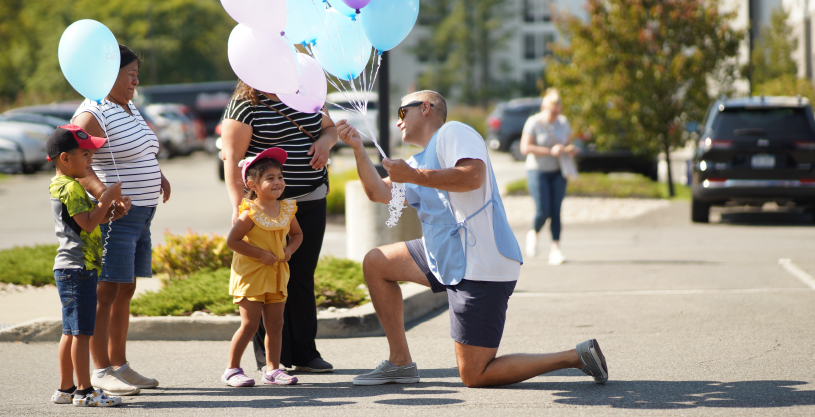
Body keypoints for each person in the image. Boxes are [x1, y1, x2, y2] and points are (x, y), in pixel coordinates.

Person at [335, 90, 608, 388]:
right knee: (377, 262)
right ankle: (400, 362)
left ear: (426, 108)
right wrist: (359, 150)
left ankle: (575, 357)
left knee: (475, 374)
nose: (398, 121)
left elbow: (472, 177)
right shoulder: (419, 159)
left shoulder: (454, 132)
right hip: (447, 254)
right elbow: (379, 193)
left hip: (481, 264)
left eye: (402, 113)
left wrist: (413, 176)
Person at [72, 44, 170, 395]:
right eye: (130, 74)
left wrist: (157, 174)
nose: (136, 80)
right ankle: (101, 370)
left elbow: (141, 150)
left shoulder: (126, 107)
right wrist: (103, 195)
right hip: (116, 217)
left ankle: (120, 365)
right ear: (109, 74)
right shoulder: (93, 113)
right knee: (107, 290)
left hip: (141, 214)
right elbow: (75, 162)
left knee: (125, 288)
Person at [221, 81, 336, 373]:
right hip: (264, 210)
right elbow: (232, 158)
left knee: (300, 276)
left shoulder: (305, 92)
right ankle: (272, 361)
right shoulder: (247, 103)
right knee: (264, 278)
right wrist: (239, 207)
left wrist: (324, 142)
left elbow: (329, 128)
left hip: (309, 199)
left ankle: (306, 353)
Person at [47, 125, 123, 407]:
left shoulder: (64, 185)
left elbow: (92, 219)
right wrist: (107, 197)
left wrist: (109, 208)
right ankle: (84, 391)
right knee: (81, 332)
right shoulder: (71, 187)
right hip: (78, 268)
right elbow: (90, 222)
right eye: (85, 155)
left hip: (71, 267)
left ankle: (65, 388)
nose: (90, 161)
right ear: (65, 158)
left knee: (70, 331)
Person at [222, 148, 302, 387]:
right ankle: (232, 369)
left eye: (280, 177)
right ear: (252, 184)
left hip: (277, 274)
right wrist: (259, 254)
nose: (277, 182)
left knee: (276, 324)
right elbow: (232, 241)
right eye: (270, 178)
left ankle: (273, 369)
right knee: (250, 324)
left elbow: (297, 235)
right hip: (251, 275)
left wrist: (289, 250)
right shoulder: (250, 213)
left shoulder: (287, 209)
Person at [520, 88, 579, 265]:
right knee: (542, 210)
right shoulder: (534, 122)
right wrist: (550, 151)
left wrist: (570, 149)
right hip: (537, 171)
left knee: (556, 211)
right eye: (552, 111)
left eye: (557, 111)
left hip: (558, 172)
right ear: (544, 107)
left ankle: (556, 249)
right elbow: (525, 148)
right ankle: (534, 232)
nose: (554, 115)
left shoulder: (563, 122)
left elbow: (567, 144)